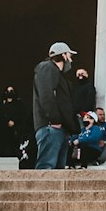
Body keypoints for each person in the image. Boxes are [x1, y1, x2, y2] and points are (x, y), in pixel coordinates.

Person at [32, 41, 79, 169]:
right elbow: (47, 96)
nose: (71, 60)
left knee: (57, 170)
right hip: (51, 127)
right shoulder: (48, 68)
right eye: (69, 55)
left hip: (58, 129)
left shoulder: (56, 74)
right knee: (46, 167)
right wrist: (54, 120)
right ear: (63, 55)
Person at [0, 85, 29, 159]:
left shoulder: (19, 104)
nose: (9, 93)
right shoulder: (1, 105)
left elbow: (22, 116)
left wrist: (14, 122)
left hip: (15, 133)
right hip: (3, 133)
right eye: (7, 91)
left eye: (11, 91)